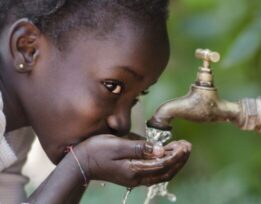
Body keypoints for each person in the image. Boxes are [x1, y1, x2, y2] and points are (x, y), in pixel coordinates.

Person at [0, 0, 192, 203]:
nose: (122, 123)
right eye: (113, 87)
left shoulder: (14, 129)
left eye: (136, 98)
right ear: (28, 49)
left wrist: (82, 167)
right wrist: (82, 165)